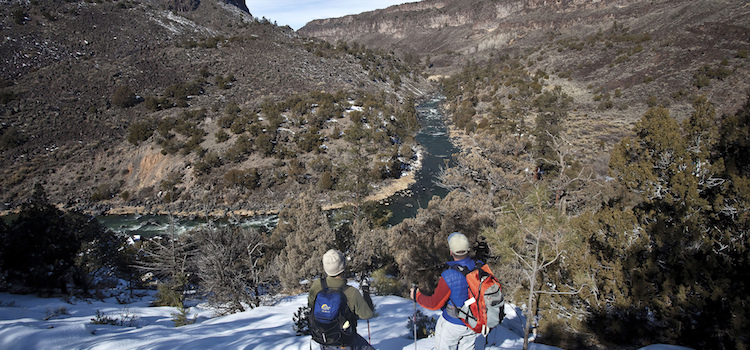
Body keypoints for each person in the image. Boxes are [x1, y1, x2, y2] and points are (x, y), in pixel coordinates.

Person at [410, 232, 479, 350]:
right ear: (468, 250)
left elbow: (434, 304)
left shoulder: (449, 276)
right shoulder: (480, 267)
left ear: (451, 252)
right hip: (474, 321)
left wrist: (417, 296)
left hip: (453, 323)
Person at [308, 249, 375, 350]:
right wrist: (365, 290)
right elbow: (367, 314)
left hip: (321, 338)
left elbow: (310, 304)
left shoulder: (317, 285)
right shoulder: (351, 292)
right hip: (345, 340)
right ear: (342, 267)